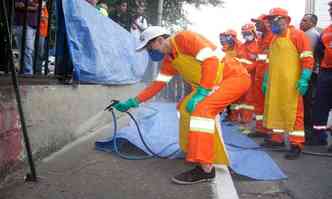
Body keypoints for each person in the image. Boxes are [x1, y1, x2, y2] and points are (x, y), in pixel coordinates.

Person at [113, 26, 251, 184]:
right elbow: (157, 85)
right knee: (184, 108)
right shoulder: (170, 60)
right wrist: (133, 101)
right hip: (212, 84)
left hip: (233, 77)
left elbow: (211, 61)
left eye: (150, 47)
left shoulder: (185, 39)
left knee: (201, 110)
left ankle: (206, 170)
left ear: (160, 40)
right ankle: (196, 153)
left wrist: (202, 93)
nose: (149, 51)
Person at [262, 8, 314, 159]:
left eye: (274, 20)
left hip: (292, 83)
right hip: (276, 82)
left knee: (295, 113)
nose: (271, 23)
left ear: (285, 20)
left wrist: (304, 79)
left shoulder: (298, 35)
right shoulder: (274, 38)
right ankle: (277, 139)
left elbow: (308, 59)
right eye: (270, 20)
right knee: (276, 109)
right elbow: (269, 61)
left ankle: (296, 144)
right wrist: (266, 79)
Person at [299, 14, 324, 145]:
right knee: (308, 104)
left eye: (304, 21)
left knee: (307, 104)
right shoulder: (309, 34)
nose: (301, 22)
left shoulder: (310, 35)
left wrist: (304, 76)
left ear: (312, 23)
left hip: (310, 75)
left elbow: (308, 57)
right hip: (311, 74)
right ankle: (309, 133)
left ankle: (309, 134)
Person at [312, 1, 332, 153]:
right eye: (331, 8)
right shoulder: (326, 31)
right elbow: (318, 51)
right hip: (325, 72)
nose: (331, 10)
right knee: (320, 106)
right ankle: (319, 137)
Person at [251, 14, 274, 137]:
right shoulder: (260, 38)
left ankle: (270, 131)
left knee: (269, 105)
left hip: (268, 76)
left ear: (266, 23)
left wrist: (267, 76)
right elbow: (259, 58)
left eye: (258, 23)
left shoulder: (273, 37)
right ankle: (261, 129)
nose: (256, 25)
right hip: (259, 76)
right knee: (259, 103)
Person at [236, 23, 260, 134]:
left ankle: (249, 126)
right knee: (241, 101)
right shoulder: (241, 46)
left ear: (254, 33)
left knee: (249, 102)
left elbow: (258, 62)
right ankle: (242, 123)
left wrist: (248, 69)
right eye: (244, 33)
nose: (246, 35)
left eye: (248, 33)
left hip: (253, 78)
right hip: (241, 77)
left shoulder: (258, 45)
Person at [219, 29, 243, 124]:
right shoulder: (226, 48)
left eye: (227, 37)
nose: (225, 39)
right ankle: (230, 115)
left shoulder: (239, 46)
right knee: (228, 99)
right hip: (227, 75)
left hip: (237, 76)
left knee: (236, 99)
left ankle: (235, 117)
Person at [14, 0, 38, 74]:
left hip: (32, 24)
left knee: (28, 50)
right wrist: (32, 6)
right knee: (26, 49)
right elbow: (17, 5)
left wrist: (26, 6)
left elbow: (38, 6)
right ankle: (27, 72)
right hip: (22, 24)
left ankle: (25, 71)